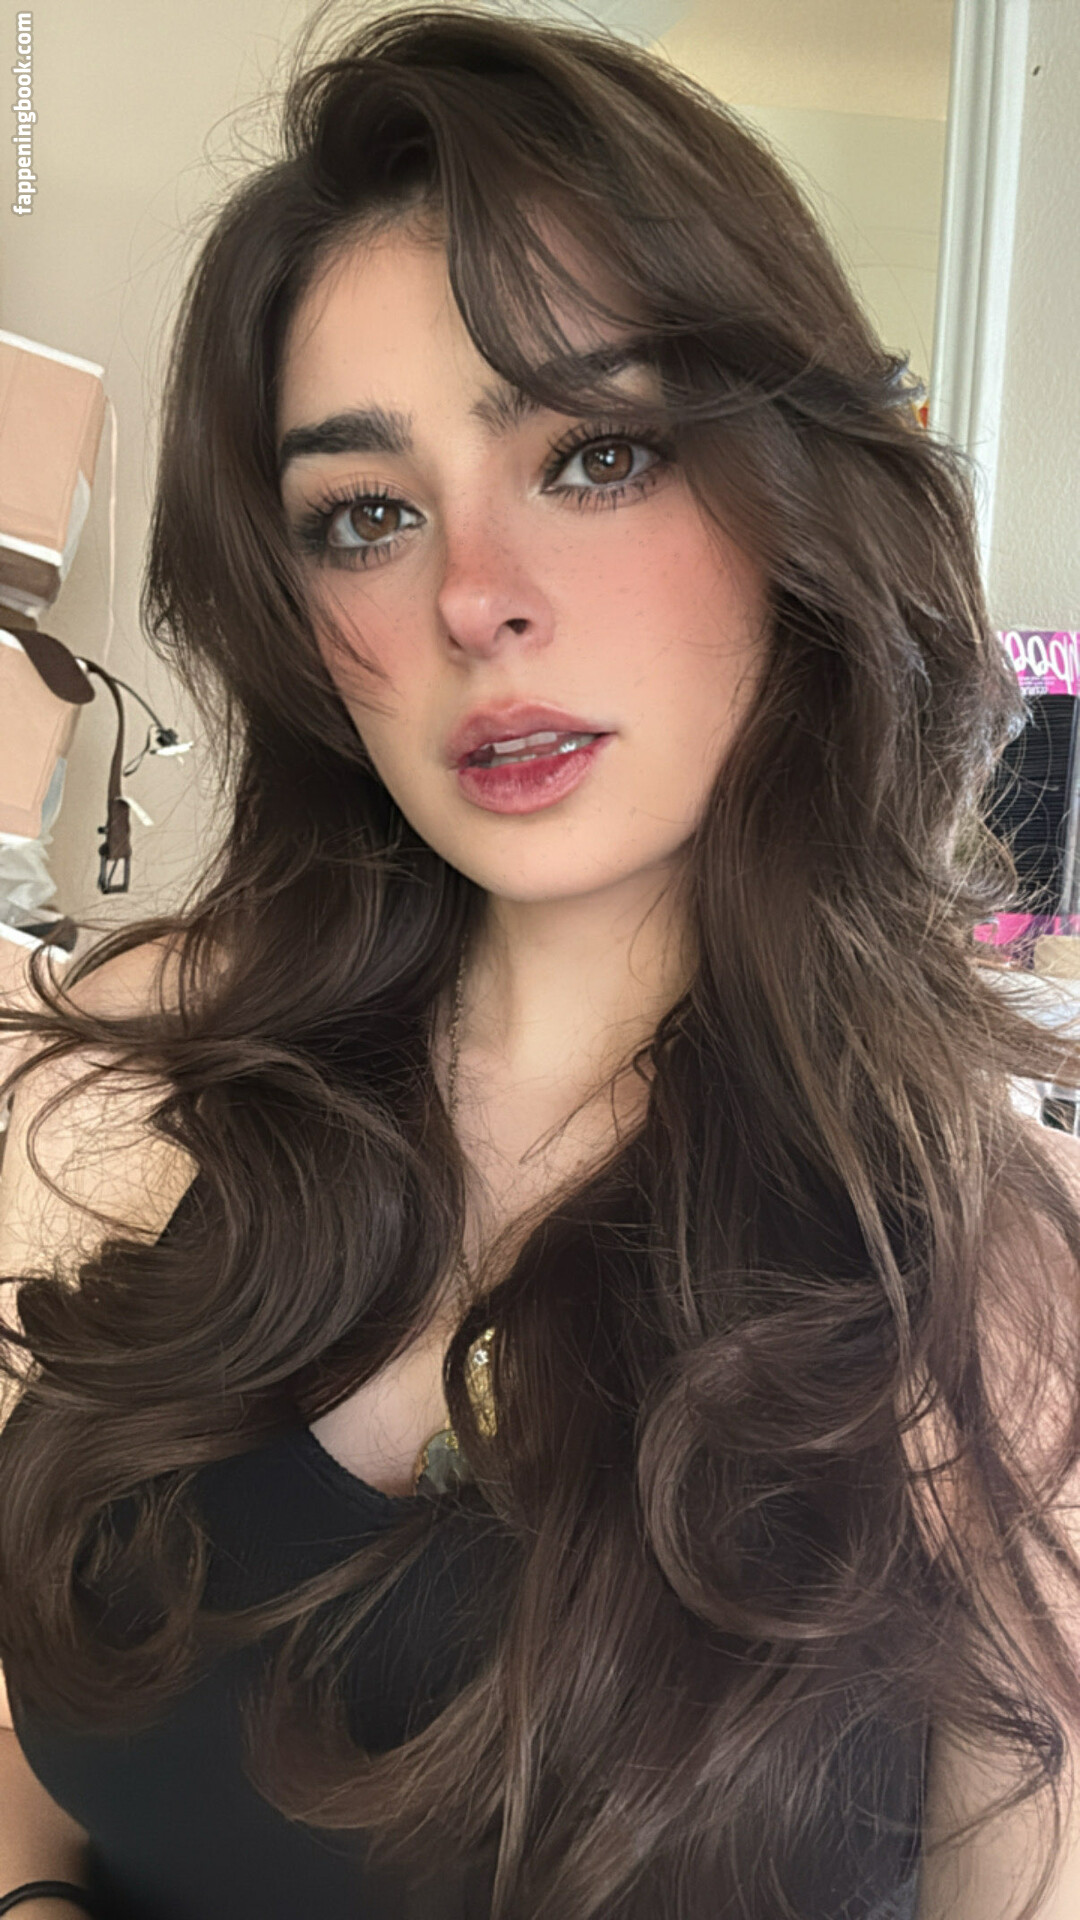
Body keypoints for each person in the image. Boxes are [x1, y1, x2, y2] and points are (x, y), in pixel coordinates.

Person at [2, 5, 1080, 1917]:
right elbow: (35, 1747)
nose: (472, 597)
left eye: (595, 454)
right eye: (366, 513)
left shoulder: (987, 1309)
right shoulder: (114, 1099)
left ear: (797, 500)